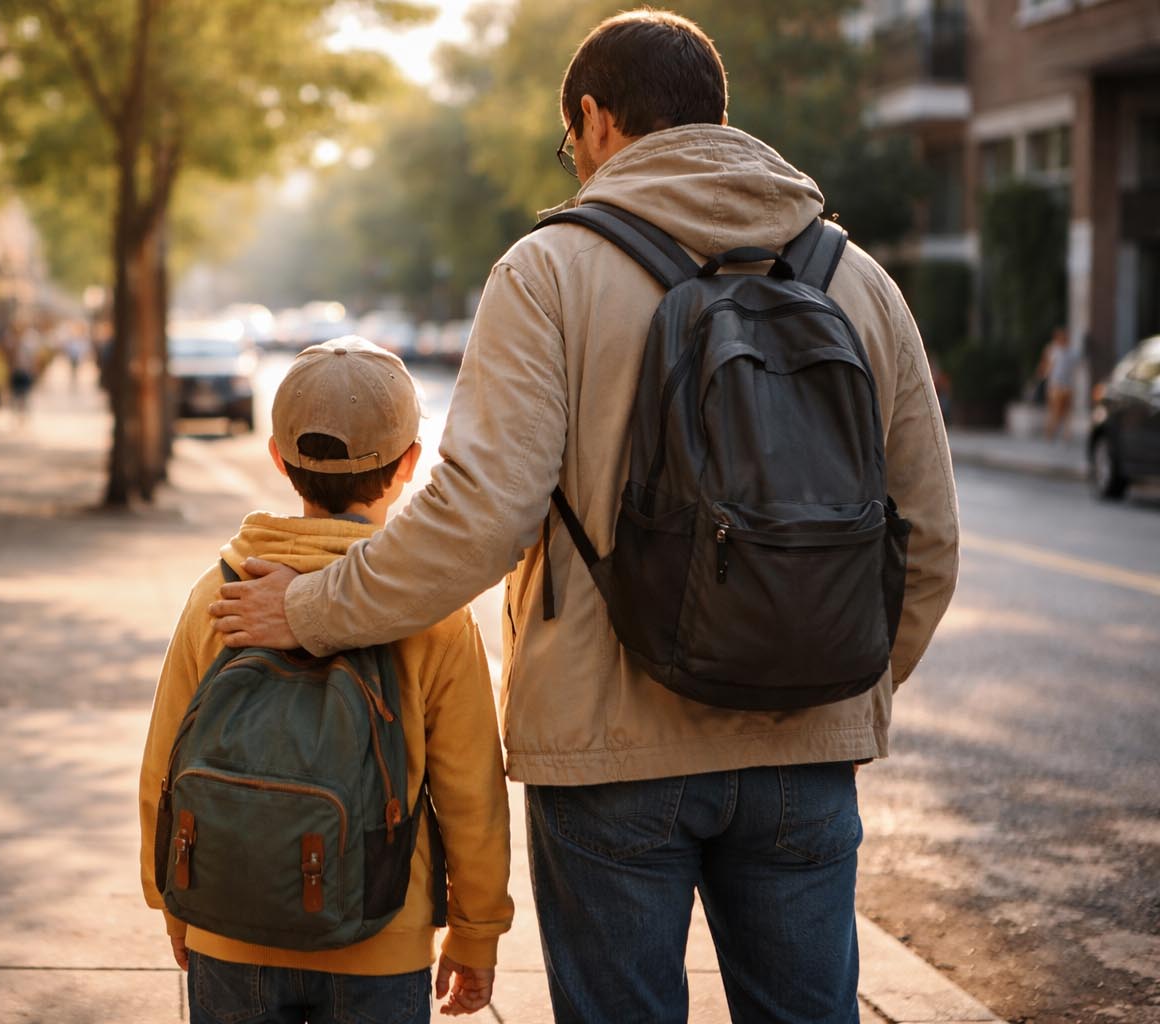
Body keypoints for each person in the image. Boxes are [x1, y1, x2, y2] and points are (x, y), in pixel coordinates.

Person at [208, 10, 960, 1024]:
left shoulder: (550, 271)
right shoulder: (859, 279)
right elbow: (928, 533)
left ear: (595, 119)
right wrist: (833, 679)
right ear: (714, 116)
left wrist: (311, 608)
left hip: (612, 755)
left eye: (570, 142)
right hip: (806, 748)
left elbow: (478, 516)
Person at [138, 338, 513, 1023]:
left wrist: (170, 899)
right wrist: (475, 931)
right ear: (410, 463)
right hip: (383, 933)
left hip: (229, 921)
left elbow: (163, 763)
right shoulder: (432, 616)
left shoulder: (220, 595)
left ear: (278, 460)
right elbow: (471, 796)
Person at [1039, 326, 1078, 441]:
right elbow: (1046, 366)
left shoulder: (1072, 352)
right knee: (1054, 412)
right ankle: (1050, 433)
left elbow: (1075, 366)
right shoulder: (1052, 350)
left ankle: (1066, 435)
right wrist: (1044, 375)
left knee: (1067, 412)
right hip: (1055, 385)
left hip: (1068, 385)